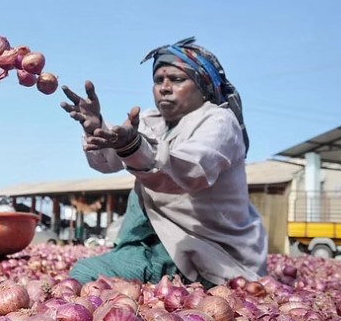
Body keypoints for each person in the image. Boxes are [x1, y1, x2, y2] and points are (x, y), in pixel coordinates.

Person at [61, 37, 267, 287]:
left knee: (85, 273)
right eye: (158, 80)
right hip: (160, 244)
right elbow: (109, 162)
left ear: (203, 85)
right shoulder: (152, 121)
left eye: (177, 79)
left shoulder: (219, 121)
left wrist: (132, 145)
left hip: (203, 252)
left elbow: (190, 170)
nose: (164, 88)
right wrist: (96, 128)